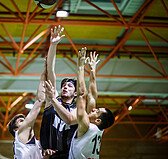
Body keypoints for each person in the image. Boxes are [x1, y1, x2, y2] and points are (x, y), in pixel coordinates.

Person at [68, 48, 115, 159]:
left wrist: (80, 67)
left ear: (98, 120)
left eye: (97, 111)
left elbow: (81, 95)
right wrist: (92, 71)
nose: (94, 109)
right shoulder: (98, 129)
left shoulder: (85, 125)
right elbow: (92, 97)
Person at [40, 25, 78, 159]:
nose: (65, 87)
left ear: (76, 93)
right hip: (47, 155)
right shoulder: (52, 99)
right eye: (63, 85)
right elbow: (50, 70)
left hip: (68, 156)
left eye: (69, 86)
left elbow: (70, 120)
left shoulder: (77, 109)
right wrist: (53, 45)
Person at [8, 64, 48, 159]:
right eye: (21, 121)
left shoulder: (36, 143)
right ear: (16, 130)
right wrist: (44, 74)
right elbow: (39, 101)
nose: (26, 121)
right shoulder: (20, 134)